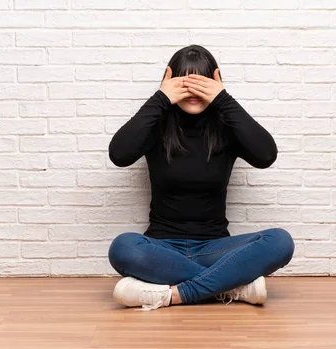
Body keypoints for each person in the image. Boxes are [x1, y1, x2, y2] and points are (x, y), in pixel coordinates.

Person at [107, 45, 294, 311]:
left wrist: (223, 99)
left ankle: (174, 294)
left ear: (215, 82)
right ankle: (231, 286)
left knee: (280, 241)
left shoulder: (226, 127)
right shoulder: (157, 125)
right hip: (162, 249)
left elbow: (266, 155)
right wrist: (160, 98)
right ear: (169, 81)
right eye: (184, 81)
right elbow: (119, 154)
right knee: (123, 247)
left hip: (215, 249)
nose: (193, 90)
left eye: (201, 82)